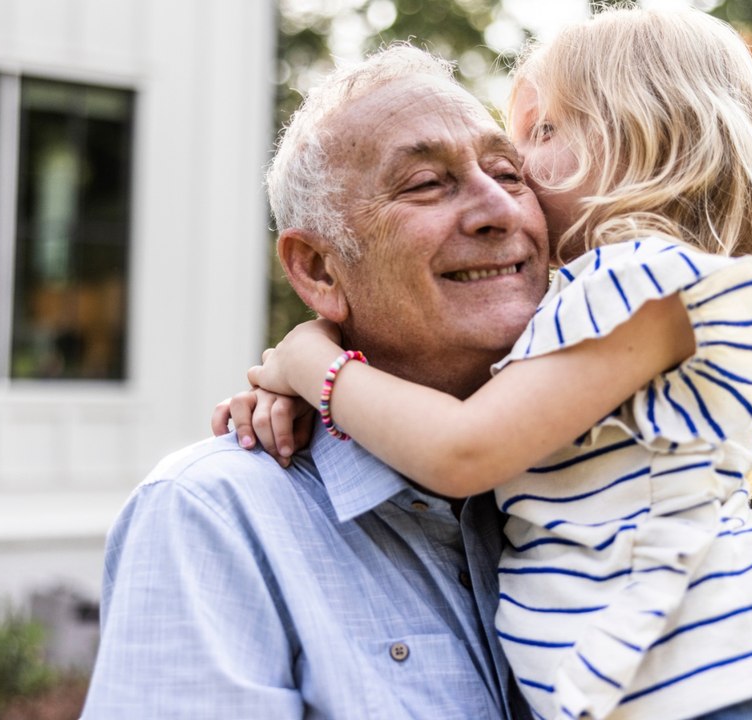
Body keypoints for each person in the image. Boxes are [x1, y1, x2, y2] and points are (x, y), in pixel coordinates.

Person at [241, 8, 752, 720]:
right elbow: (433, 360)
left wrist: (313, 363)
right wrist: (318, 372)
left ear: (644, 142)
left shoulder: (645, 288)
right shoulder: (591, 299)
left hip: (718, 700)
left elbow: (462, 449)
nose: (518, 175)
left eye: (542, 133)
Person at [80, 45, 550, 718]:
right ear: (319, 270)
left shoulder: (606, 464)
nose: (498, 209)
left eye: (508, 173)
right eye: (426, 183)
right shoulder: (213, 518)